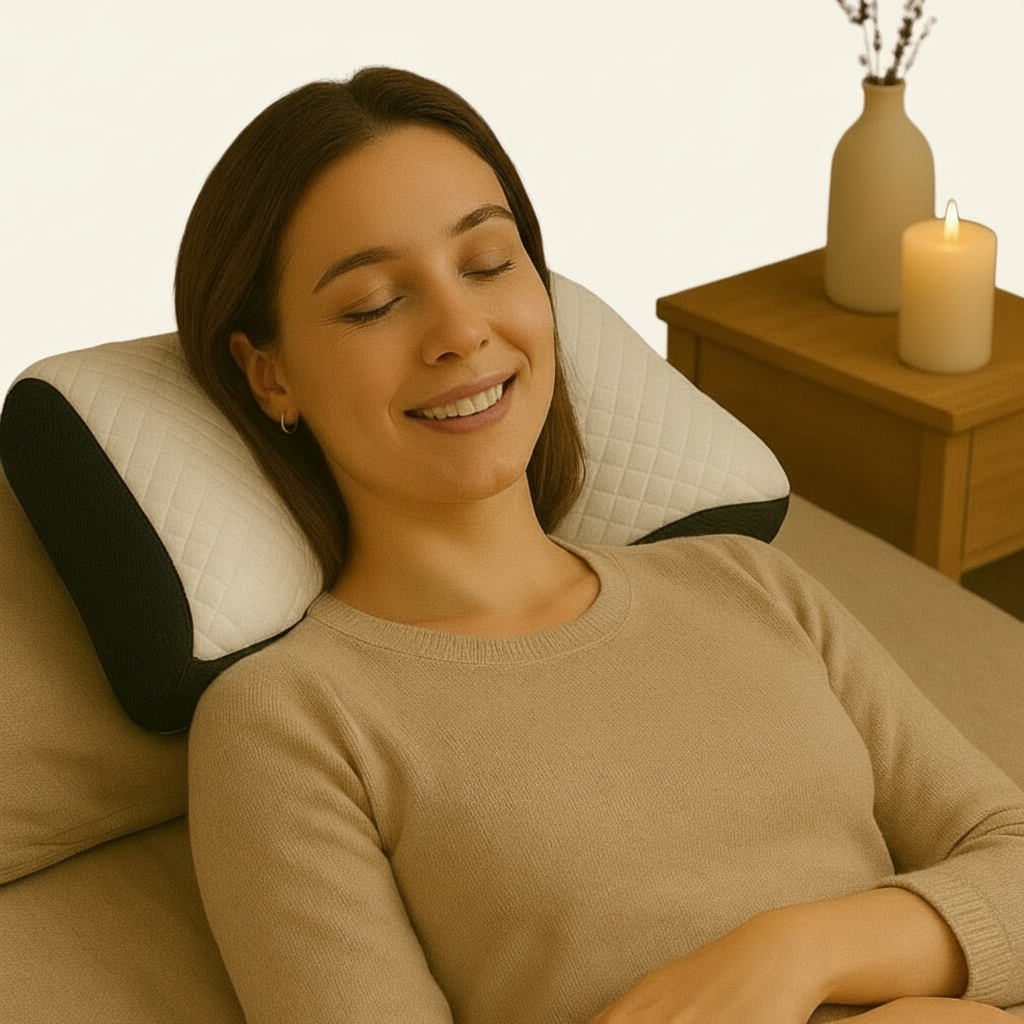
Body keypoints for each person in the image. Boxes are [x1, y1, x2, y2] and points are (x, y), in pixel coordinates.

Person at [177, 67, 1023, 1023]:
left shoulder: (743, 579)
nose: (461, 331)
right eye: (374, 302)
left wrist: (801, 953)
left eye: (488, 263)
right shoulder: (291, 721)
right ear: (270, 375)